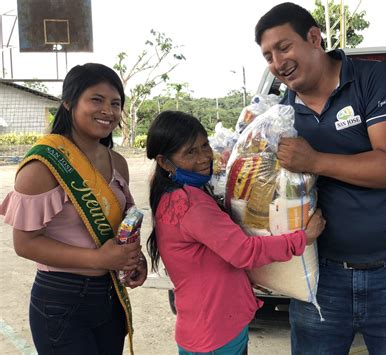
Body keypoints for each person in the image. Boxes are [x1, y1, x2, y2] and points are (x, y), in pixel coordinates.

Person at [254, 3, 386, 354]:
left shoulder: (376, 80)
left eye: (284, 47)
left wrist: (315, 160)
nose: (277, 63)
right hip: (320, 277)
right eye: (267, 56)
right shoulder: (281, 116)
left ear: (314, 37)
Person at [145, 110, 326, 355]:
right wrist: (303, 238)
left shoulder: (173, 194)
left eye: (204, 145)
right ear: (165, 162)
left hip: (204, 326)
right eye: (190, 152)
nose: (204, 157)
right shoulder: (189, 203)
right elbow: (244, 252)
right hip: (215, 333)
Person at [0, 63, 147, 355]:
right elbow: (25, 244)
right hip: (61, 300)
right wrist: (99, 258)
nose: (108, 110)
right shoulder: (43, 165)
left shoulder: (118, 163)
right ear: (68, 103)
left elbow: (121, 224)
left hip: (109, 296)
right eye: (96, 99)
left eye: (115, 103)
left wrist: (133, 258)